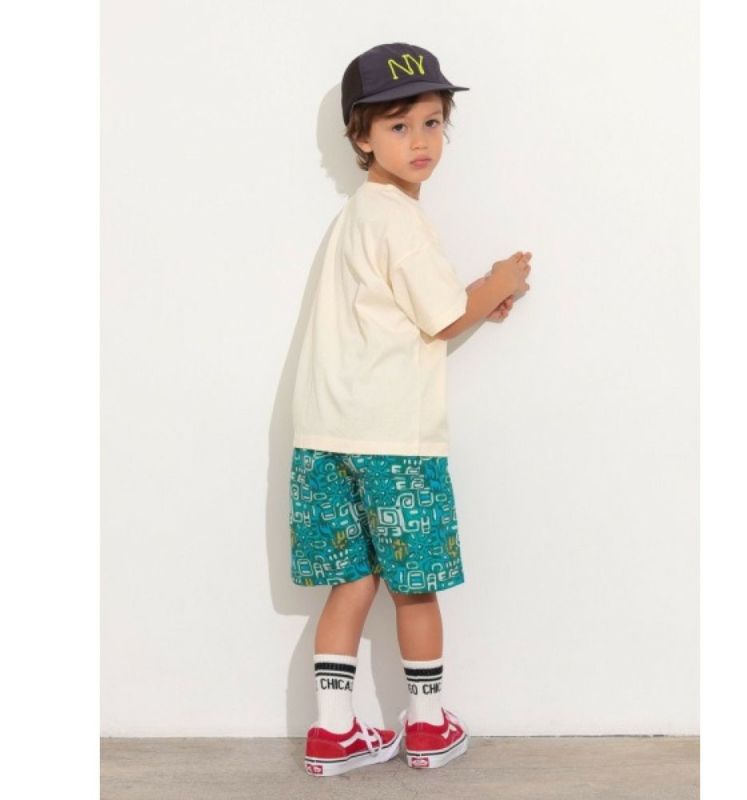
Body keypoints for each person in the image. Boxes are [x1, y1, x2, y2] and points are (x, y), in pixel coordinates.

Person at [289, 42, 532, 777]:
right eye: (398, 126)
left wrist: (473, 302)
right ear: (361, 137)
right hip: (396, 440)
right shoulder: (401, 219)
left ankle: (334, 731)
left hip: (325, 436)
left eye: (432, 122)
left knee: (352, 580)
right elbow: (444, 314)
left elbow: (411, 311)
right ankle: (426, 725)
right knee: (414, 585)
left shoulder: (357, 218)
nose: (420, 140)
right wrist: (500, 281)